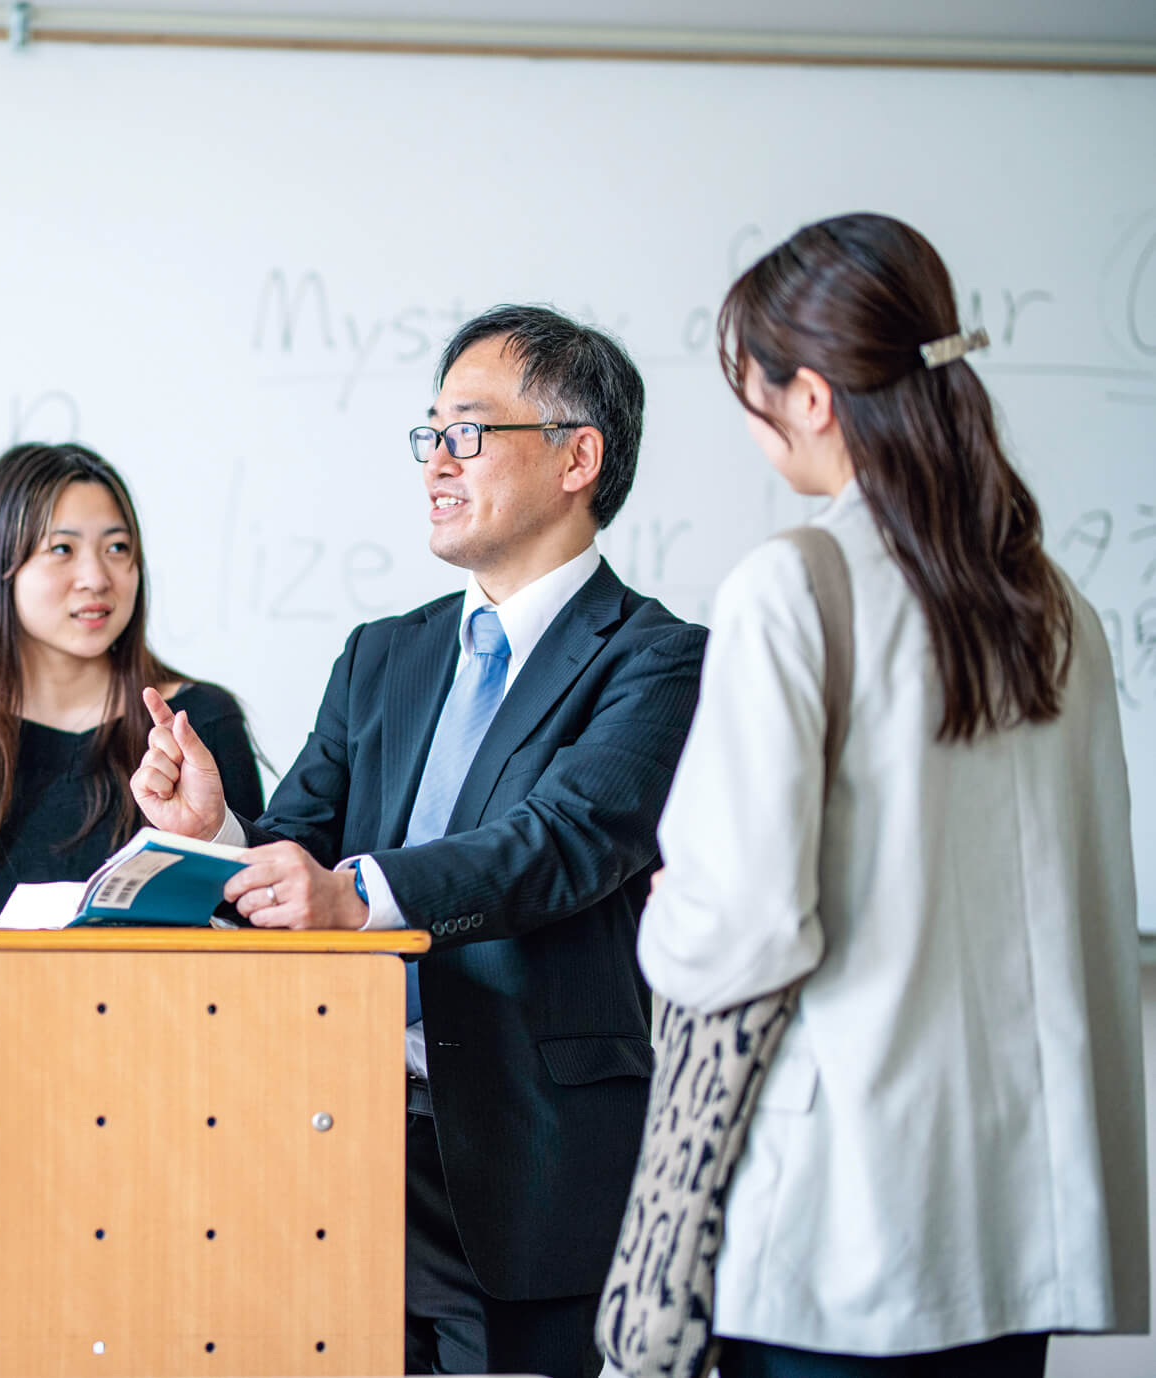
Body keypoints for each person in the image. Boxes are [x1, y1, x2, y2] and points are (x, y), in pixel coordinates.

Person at [133, 306, 706, 1378]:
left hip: (534, 1159)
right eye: (429, 433)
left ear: (579, 456)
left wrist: (356, 897)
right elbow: (300, 842)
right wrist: (216, 831)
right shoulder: (381, 655)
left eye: (469, 432)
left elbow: (562, 842)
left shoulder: (660, 659)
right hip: (330, 1135)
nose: (436, 462)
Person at [635, 213, 1147, 1378]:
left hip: (844, 1213)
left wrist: (674, 906)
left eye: (752, 384)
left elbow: (745, 926)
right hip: (1023, 1214)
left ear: (811, 397)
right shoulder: (1055, 605)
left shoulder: (794, 585)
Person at [0, 441, 263, 927]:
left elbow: (252, 929)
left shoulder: (198, 724)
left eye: (117, 548)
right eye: (62, 549)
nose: (95, 577)